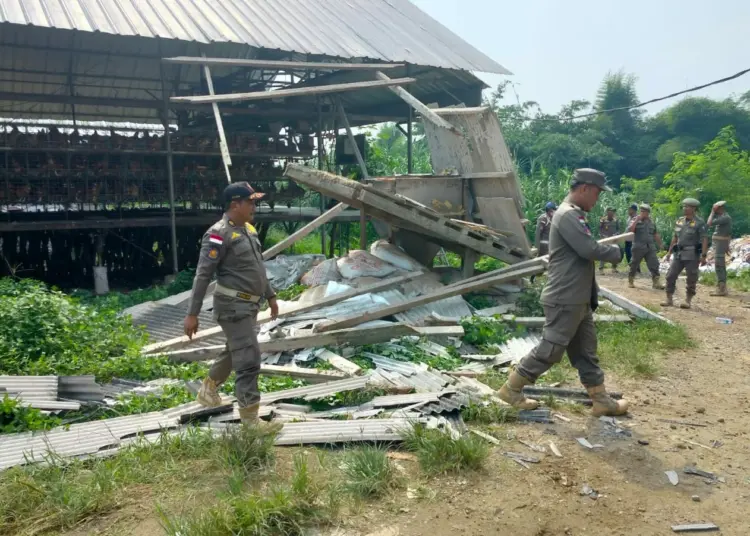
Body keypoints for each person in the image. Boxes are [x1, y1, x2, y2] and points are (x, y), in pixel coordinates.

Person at [498, 168, 628, 417]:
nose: (597, 200)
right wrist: (615, 252)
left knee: (586, 351)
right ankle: (511, 389)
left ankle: (600, 400)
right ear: (584, 189)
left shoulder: (574, 214)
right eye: (597, 194)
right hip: (565, 297)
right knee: (551, 349)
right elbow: (587, 249)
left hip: (577, 298)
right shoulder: (568, 215)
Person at [184, 182, 279, 425]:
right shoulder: (218, 234)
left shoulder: (249, 229)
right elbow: (203, 274)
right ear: (235, 204)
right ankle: (250, 421)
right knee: (249, 359)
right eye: (250, 202)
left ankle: (208, 388)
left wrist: (270, 295)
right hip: (232, 306)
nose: (254, 206)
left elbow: (257, 266)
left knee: (234, 350)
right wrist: (192, 314)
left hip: (249, 306)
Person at [662, 198, 708, 309]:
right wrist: (669, 252)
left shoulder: (699, 223)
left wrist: (703, 255)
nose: (684, 208)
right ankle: (669, 299)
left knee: (691, 278)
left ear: (694, 209)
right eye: (684, 206)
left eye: (687, 207)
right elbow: (675, 237)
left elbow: (705, 239)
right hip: (678, 253)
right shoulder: (680, 221)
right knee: (670, 275)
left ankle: (688, 300)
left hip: (692, 254)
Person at [627, 204, 664, 289]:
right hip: (638, 246)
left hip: (650, 246)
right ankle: (631, 280)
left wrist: (660, 244)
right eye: (642, 211)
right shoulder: (635, 220)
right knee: (634, 264)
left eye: (645, 212)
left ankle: (656, 282)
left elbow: (655, 234)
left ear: (648, 213)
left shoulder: (651, 222)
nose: (643, 213)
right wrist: (636, 220)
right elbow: (630, 230)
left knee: (654, 263)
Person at [707, 201, 732, 297]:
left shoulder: (725, 217)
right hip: (720, 243)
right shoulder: (723, 217)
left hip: (720, 244)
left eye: (715, 208)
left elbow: (709, 223)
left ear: (719, 208)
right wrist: (727, 245)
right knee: (719, 264)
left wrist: (712, 212)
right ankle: (721, 287)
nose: (715, 210)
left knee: (719, 264)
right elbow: (728, 232)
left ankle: (722, 289)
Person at [531, 201, 556, 283]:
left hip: (550, 245)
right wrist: (536, 247)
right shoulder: (543, 218)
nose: (554, 212)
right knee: (540, 262)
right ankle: (533, 277)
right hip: (543, 245)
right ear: (549, 210)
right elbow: (538, 234)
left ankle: (548, 279)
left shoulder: (552, 218)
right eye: (552, 210)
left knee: (550, 262)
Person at [598, 207, 621, 273]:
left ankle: (614, 267)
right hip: (605, 239)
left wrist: (616, 234)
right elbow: (600, 229)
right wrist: (602, 236)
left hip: (613, 239)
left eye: (613, 212)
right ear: (607, 212)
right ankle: (601, 269)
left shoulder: (616, 220)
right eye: (611, 211)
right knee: (603, 253)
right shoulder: (603, 219)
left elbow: (618, 229)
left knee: (615, 252)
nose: (612, 213)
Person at [624, 204, 639, 271]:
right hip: (627, 239)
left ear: (634, 210)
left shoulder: (637, 218)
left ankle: (636, 269)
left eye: (630, 209)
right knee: (628, 254)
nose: (628, 211)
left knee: (633, 254)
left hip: (634, 239)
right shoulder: (629, 218)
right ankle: (633, 268)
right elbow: (627, 228)